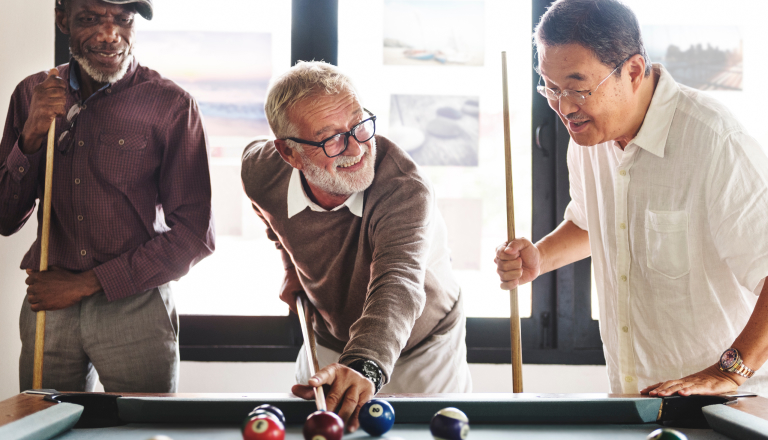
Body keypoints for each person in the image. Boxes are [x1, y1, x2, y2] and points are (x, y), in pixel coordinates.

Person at [495, 0, 768, 396]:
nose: (564, 107)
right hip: (633, 402)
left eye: (578, 89)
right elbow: (593, 222)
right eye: (550, 88)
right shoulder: (586, 137)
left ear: (634, 71)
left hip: (726, 405)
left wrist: (728, 372)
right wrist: (540, 257)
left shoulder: (716, 142)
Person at [241, 61, 471, 431]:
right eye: (330, 137)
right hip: (331, 337)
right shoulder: (261, 170)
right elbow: (270, 217)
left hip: (423, 346)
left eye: (358, 124)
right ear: (289, 153)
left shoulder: (404, 189)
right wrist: (290, 267)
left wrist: (363, 365)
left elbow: (397, 284)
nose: (357, 147)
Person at [0, 0, 214, 392]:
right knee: (40, 428)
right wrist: (29, 138)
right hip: (49, 305)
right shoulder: (31, 93)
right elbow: (3, 218)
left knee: (144, 431)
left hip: (136, 304)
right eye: (90, 19)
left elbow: (195, 236)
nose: (109, 34)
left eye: (122, 19)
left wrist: (85, 284)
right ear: (62, 19)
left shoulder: (171, 105)